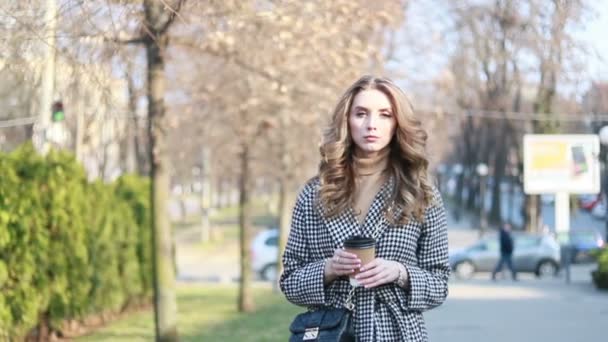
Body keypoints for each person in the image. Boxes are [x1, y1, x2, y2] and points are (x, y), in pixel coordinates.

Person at [280, 75, 450, 341]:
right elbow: (290, 282)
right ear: (346, 121)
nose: (372, 125)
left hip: (396, 332)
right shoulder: (315, 193)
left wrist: (400, 272)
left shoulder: (421, 193)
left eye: (385, 115)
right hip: (331, 331)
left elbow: (439, 285)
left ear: (397, 124)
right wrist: (330, 268)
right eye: (361, 113)